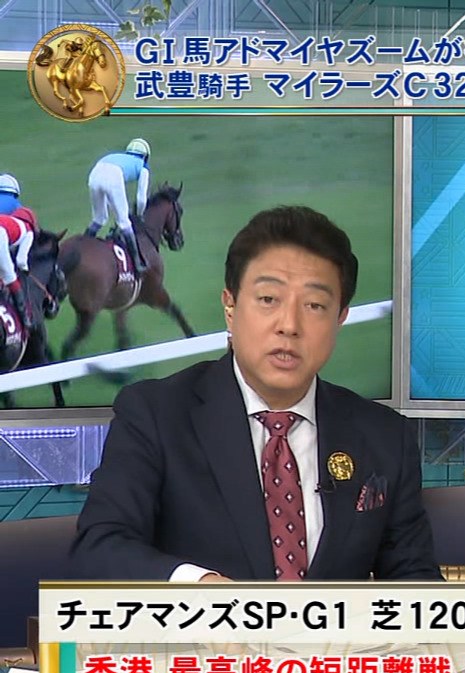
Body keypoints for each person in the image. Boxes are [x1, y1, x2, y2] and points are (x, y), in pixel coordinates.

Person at [71, 205, 441, 583]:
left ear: (340, 318)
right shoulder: (155, 415)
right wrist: (198, 588)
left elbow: (416, 581)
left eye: (314, 305)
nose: (289, 325)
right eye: (268, 300)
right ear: (230, 307)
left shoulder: (385, 436)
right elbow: (99, 549)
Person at [84, 138, 152, 277]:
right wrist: (139, 215)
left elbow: (108, 192)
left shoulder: (116, 156)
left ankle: (83, 246)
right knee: (124, 222)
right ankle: (137, 265)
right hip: (113, 178)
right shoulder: (143, 166)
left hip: (94, 176)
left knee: (99, 218)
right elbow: (141, 199)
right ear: (145, 156)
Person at [0, 206, 37, 332]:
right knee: (10, 277)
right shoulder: (28, 231)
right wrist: (25, 270)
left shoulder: (10, 222)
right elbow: (21, 260)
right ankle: (25, 320)